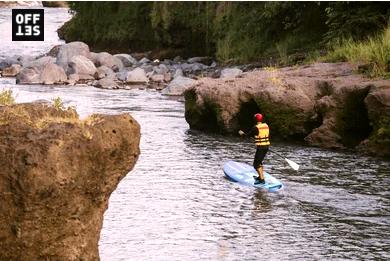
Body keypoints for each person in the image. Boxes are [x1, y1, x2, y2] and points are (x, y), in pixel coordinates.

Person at [238, 113, 270, 185]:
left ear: (255, 120)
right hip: (266, 146)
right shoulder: (266, 125)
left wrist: (242, 134)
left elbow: (247, 136)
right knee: (259, 162)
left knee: (256, 164)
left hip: (261, 147)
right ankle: (260, 177)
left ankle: (262, 180)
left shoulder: (255, 127)